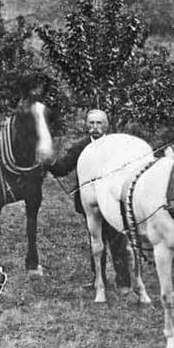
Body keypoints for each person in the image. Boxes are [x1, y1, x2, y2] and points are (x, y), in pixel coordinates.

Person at [49, 109, 131, 291]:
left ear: (106, 125)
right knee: (96, 240)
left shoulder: (117, 146)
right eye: (91, 123)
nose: (95, 127)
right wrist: (49, 161)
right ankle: (98, 279)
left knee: (118, 241)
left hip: (113, 202)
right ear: (86, 125)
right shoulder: (80, 147)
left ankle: (124, 282)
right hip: (91, 205)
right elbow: (63, 168)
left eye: (99, 123)